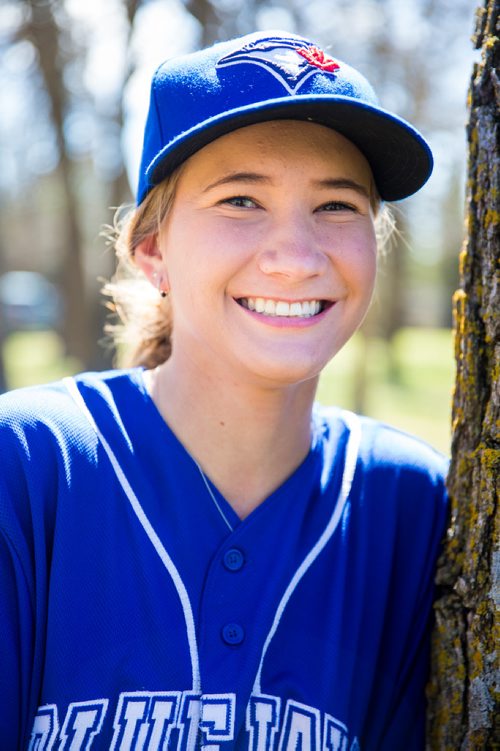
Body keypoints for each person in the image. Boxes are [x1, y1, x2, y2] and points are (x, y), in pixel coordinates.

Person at [0, 30, 449, 750]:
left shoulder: (407, 504)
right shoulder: (31, 466)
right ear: (152, 250)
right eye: (241, 199)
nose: (297, 259)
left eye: (337, 207)